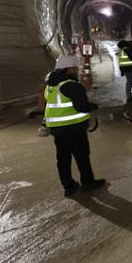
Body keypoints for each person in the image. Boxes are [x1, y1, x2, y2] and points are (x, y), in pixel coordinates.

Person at [44, 55, 105, 196]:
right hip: (73, 128)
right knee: (82, 156)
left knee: (63, 158)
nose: (77, 70)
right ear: (69, 69)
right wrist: (92, 106)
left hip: (57, 130)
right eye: (75, 68)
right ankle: (88, 182)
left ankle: (68, 186)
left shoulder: (50, 87)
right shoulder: (73, 86)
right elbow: (81, 107)